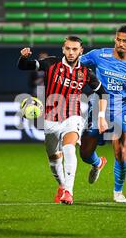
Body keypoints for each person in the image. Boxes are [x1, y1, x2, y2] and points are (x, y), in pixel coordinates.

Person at [18, 36, 108, 205]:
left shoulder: (86, 73)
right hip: (50, 119)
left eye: (75, 49)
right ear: (63, 49)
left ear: (81, 51)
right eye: (68, 49)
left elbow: (103, 93)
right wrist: (23, 57)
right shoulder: (51, 63)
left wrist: (101, 117)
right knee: (54, 160)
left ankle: (68, 191)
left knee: (68, 148)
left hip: (72, 117)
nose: (71, 52)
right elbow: (23, 66)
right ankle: (61, 185)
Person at [79, 25, 126, 203]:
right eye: (118, 39)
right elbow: (74, 63)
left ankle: (118, 192)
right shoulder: (99, 55)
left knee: (121, 152)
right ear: (114, 39)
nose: (121, 43)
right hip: (98, 107)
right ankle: (97, 163)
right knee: (85, 153)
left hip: (121, 111)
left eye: (125, 41)